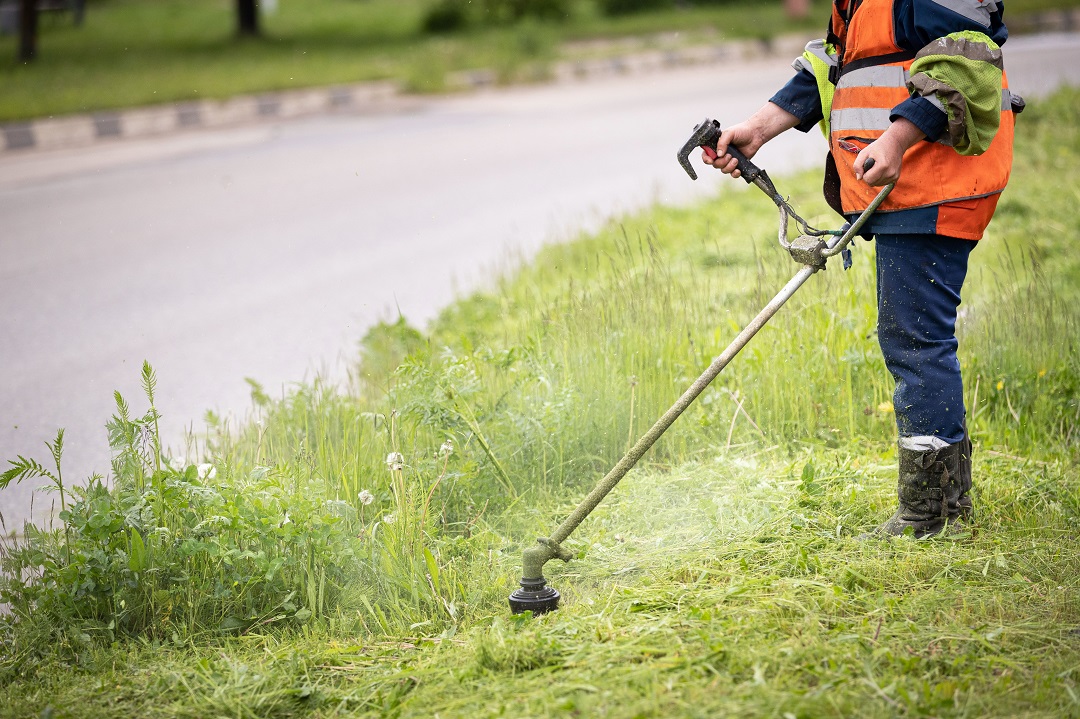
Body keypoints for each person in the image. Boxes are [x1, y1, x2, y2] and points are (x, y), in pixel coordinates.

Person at [704, 0, 1020, 537]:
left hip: (933, 181)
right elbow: (834, 68)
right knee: (911, 336)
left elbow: (965, 59)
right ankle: (945, 504)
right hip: (903, 189)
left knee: (915, 339)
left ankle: (932, 514)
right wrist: (759, 128)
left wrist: (897, 137)